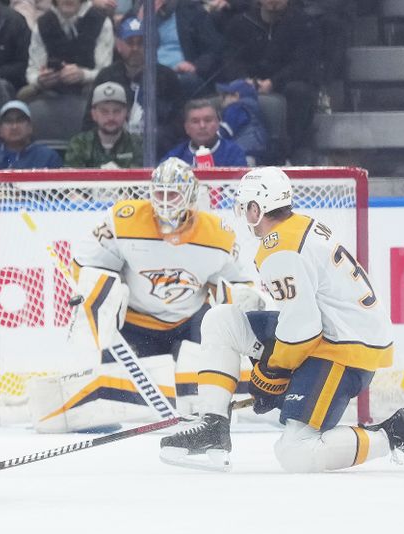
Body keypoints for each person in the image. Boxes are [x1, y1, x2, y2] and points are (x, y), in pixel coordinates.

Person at [160, 166, 404, 472]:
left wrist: (273, 370)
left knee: (295, 451)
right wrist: (273, 366)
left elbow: (304, 328)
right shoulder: (297, 227)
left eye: (245, 208)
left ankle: (393, 433)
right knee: (222, 321)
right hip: (333, 335)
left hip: (343, 350)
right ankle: (213, 426)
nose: (244, 216)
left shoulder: (280, 247)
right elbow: (303, 317)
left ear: (257, 209)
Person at [69, 157, 260, 419]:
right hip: (136, 324)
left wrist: (245, 298)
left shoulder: (218, 234)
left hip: (191, 323)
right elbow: (87, 262)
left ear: (191, 195)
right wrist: (96, 289)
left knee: (197, 403)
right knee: (122, 405)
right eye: (161, 192)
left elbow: (238, 284)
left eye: (174, 194)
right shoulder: (124, 219)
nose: (166, 201)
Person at [221, 0, 321, 157]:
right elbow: (230, 59)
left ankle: (291, 152)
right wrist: (245, 80)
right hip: (249, 81)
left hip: (286, 81)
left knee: (300, 92)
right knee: (230, 90)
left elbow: (303, 63)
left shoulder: (303, 23)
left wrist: (273, 82)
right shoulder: (240, 22)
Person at [82, 16, 182, 156]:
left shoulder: (167, 77)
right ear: (119, 45)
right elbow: (89, 121)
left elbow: (178, 123)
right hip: (112, 150)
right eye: (130, 42)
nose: (135, 48)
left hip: (157, 151)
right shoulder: (106, 76)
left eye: (141, 43)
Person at [23, 0, 113, 99]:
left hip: (90, 93)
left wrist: (83, 75)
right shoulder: (42, 24)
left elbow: (106, 72)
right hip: (50, 94)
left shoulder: (102, 22)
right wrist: (40, 80)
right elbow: (32, 72)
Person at [65, 81, 141, 168]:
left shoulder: (137, 143)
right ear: (94, 114)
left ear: (126, 113)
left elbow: (144, 177)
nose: (111, 117)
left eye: (117, 111)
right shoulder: (80, 144)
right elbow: (73, 178)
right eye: (104, 111)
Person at [161, 97, 247, 167]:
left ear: (218, 124)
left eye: (208, 120)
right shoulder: (175, 157)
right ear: (186, 128)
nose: (202, 126)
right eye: (195, 121)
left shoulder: (234, 153)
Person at [0, 99, 62, 170]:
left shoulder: (48, 157)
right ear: (0, 130)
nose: (14, 126)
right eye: (8, 121)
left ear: (30, 127)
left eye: (20, 120)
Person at [216, 79, 269, 165]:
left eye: (225, 95)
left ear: (236, 96)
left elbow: (222, 133)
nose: (221, 98)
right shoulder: (252, 108)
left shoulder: (235, 108)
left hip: (244, 155)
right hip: (256, 154)